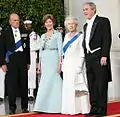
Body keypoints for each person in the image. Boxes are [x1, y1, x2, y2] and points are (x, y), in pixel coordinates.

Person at [82, 2, 112, 117]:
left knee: (101, 84)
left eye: (86, 9)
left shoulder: (103, 21)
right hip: (89, 58)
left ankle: (101, 110)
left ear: (93, 10)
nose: (85, 12)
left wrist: (104, 55)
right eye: (83, 10)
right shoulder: (85, 25)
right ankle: (94, 108)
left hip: (99, 57)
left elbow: (107, 39)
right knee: (92, 85)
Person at [0, 13, 30, 114]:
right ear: (10, 21)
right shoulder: (5, 33)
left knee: (24, 84)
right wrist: (2, 63)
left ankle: (25, 107)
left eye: (17, 20)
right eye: (14, 20)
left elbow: (27, 49)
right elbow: (1, 49)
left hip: (22, 59)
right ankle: (12, 107)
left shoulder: (24, 32)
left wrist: (28, 62)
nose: (16, 22)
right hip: (11, 61)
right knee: (11, 85)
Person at [34, 14, 63, 113]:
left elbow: (60, 50)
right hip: (45, 59)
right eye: (46, 22)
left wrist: (60, 63)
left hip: (54, 57)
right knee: (44, 81)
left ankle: (57, 106)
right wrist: (39, 64)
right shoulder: (42, 36)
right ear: (44, 24)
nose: (48, 23)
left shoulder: (58, 34)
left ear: (53, 23)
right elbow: (40, 51)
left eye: (50, 21)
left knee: (55, 80)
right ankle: (42, 106)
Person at [61, 16, 90, 115]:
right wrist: (63, 64)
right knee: (68, 87)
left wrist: (80, 65)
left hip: (76, 64)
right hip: (67, 65)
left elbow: (82, 52)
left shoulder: (80, 36)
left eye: (72, 23)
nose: (71, 25)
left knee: (78, 87)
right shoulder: (66, 36)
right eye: (69, 24)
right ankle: (70, 109)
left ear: (76, 24)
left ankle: (82, 109)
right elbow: (64, 53)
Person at [23, 20, 41, 101]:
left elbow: (38, 45)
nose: (27, 26)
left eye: (29, 25)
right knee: (25, 74)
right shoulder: (22, 34)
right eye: (26, 25)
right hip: (23, 55)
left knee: (32, 74)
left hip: (32, 54)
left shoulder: (34, 35)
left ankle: (31, 93)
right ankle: (25, 93)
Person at [0, 27, 6, 102]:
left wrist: (3, 63)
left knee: (1, 79)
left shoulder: (2, 39)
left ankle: (1, 95)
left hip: (1, 63)